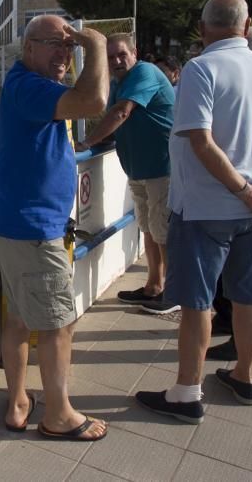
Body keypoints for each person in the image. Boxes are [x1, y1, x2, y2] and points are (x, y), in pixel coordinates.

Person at [136, 0, 252, 424]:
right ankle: (244, 376)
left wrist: (245, 191)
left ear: (202, 29)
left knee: (198, 304)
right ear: (247, 23)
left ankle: (186, 392)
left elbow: (200, 140)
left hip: (205, 209)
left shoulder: (201, 69)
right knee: (249, 298)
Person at [0, 15, 109, 441]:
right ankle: (58, 415)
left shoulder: (30, 85)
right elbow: (94, 101)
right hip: (32, 230)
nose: (63, 52)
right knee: (58, 324)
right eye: (54, 43)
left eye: (68, 45)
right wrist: (97, 46)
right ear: (28, 48)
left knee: (20, 318)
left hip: (17, 223)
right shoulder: (29, 88)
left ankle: (19, 401)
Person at [77, 34, 178, 314]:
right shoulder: (118, 82)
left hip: (162, 169)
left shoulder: (145, 72)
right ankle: (154, 286)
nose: (117, 61)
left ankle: (174, 292)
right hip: (139, 170)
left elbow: (121, 113)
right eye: (110, 58)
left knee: (164, 233)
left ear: (135, 52)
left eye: (121, 54)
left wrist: (87, 142)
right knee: (148, 228)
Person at [207, 25, 252, 360]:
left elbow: (206, 142)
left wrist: (249, 190)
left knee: (245, 287)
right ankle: (232, 329)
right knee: (240, 283)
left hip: (244, 199)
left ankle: (245, 348)